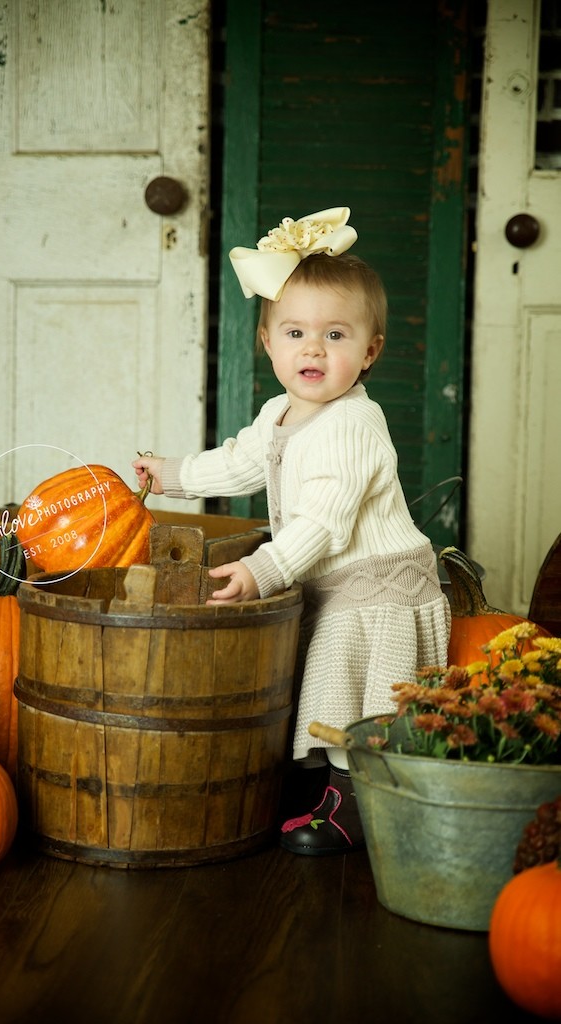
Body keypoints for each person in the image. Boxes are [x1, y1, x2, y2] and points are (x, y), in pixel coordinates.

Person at [133, 207, 451, 856]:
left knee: (357, 711)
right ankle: (318, 794)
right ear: (267, 342)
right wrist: (171, 475)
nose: (313, 349)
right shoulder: (281, 410)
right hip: (335, 590)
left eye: (335, 335)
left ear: (369, 352)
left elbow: (324, 524)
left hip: (376, 597)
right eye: (296, 331)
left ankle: (353, 811)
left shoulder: (353, 426)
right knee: (322, 692)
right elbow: (242, 459)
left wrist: (263, 570)